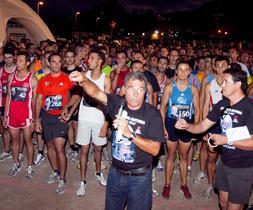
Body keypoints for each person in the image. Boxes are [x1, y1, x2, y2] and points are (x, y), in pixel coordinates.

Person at [69, 70, 165, 210]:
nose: (136, 93)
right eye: (131, 88)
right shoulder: (117, 103)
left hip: (140, 176)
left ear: (145, 92)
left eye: (140, 89)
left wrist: (130, 133)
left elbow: (155, 149)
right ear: (124, 89)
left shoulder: (153, 114)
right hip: (115, 173)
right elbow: (96, 92)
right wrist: (83, 80)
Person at [175, 68, 253, 210]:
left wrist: (226, 140)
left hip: (243, 167)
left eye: (225, 82)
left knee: (234, 207)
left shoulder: (249, 108)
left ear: (238, 84)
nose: (221, 85)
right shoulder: (222, 104)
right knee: (223, 203)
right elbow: (202, 126)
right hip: (224, 162)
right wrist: (187, 126)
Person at [35, 53, 74, 194]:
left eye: (59, 62)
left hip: (60, 118)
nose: (56, 64)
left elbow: (77, 95)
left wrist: (67, 107)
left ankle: (62, 178)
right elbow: (39, 100)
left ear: (61, 63)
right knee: (49, 145)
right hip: (46, 116)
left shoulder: (67, 78)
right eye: (54, 62)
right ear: (49, 63)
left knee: (59, 148)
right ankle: (55, 171)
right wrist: (36, 120)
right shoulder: (43, 80)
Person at [160, 60, 200, 200]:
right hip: (171, 124)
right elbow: (162, 108)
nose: (183, 72)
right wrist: (163, 127)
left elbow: (198, 110)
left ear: (190, 71)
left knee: (183, 157)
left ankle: (184, 185)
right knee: (170, 156)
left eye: (186, 69)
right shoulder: (170, 87)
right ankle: (167, 184)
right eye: (180, 70)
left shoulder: (194, 89)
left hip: (187, 126)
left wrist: (196, 130)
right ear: (176, 71)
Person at [74, 49, 111, 196]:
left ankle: (98, 173)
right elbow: (78, 96)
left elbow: (109, 103)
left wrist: (106, 123)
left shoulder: (106, 79)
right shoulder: (84, 76)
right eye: (89, 58)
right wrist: (69, 110)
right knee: (83, 150)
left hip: (99, 119)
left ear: (100, 61)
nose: (89, 60)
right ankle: (82, 181)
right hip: (84, 118)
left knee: (98, 149)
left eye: (92, 58)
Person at [4, 52, 37, 178]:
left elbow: (34, 101)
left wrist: (34, 119)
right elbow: (8, 96)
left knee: (28, 141)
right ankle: (16, 163)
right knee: (15, 141)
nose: (17, 62)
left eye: (21, 60)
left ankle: (29, 166)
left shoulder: (32, 80)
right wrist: (6, 115)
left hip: (26, 117)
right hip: (12, 116)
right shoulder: (11, 77)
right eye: (17, 60)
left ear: (27, 63)